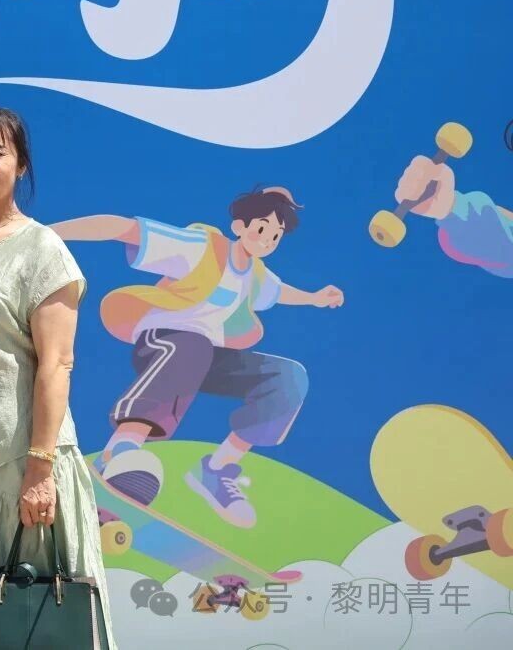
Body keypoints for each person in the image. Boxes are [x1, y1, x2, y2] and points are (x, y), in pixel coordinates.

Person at [0, 106, 116, 650]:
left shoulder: (41, 248)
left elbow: (56, 363)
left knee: (42, 618)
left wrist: (40, 470)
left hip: (20, 464)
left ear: (21, 164)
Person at [54, 187, 343, 527]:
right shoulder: (203, 249)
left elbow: (280, 293)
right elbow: (122, 228)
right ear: (239, 226)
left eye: (275, 236)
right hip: (165, 339)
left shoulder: (256, 276)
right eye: (262, 229)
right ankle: (121, 448)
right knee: (192, 347)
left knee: (288, 377)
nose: (267, 241)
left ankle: (217, 470)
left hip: (207, 355)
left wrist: (315, 298)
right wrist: (48, 234)